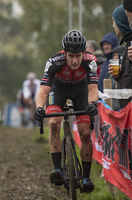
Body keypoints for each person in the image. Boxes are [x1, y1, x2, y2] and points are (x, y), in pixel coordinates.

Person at [34, 29, 99, 193]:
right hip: (59, 89)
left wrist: (92, 103)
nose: (75, 60)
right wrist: (39, 108)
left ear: (84, 52)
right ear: (65, 53)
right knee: (54, 123)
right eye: (71, 56)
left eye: (78, 56)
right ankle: (58, 170)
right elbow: (42, 91)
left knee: (85, 133)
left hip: (81, 91)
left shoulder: (90, 61)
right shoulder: (54, 62)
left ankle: (85, 178)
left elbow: (93, 89)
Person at [108, 4, 132, 109]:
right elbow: (130, 78)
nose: (113, 25)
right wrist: (119, 76)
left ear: (122, 22)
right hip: (128, 108)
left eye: (114, 21)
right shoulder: (129, 43)